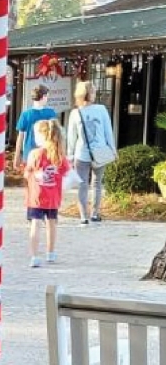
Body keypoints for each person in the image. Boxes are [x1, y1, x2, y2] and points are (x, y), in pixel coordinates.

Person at [66, 79, 117, 224]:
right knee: (97, 184)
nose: (95, 93)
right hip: (99, 152)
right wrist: (112, 149)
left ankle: (83, 216)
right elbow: (108, 131)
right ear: (89, 94)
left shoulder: (75, 113)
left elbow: (71, 137)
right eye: (93, 91)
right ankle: (94, 213)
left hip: (81, 153)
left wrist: (70, 155)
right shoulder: (101, 109)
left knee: (82, 184)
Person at [24, 118, 70, 267]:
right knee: (52, 223)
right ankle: (50, 253)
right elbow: (65, 172)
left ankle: (34, 256)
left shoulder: (35, 154)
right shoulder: (59, 155)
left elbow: (27, 173)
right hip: (53, 196)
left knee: (35, 224)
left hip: (36, 196)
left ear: (41, 136)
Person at [12, 83, 58, 174]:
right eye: (47, 96)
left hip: (29, 153)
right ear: (43, 96)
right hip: (47, 153)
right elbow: (55, 136)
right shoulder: (51, 113)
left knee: (30, 181)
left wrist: (16, 156)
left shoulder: (25, 114)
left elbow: (20, 137)